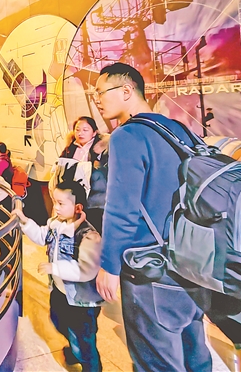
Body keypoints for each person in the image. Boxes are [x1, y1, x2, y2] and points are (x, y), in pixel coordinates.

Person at [94, 62, 212, 372]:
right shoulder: (179, 130)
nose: (97, 100)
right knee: (196, 357)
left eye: (100, 92)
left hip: (151, 271)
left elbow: (121, 209)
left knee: (157, 364)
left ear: (126, 90)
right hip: (191, 266)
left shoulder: (127, 135)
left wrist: (109, 265)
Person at [14, 180, 103, 371]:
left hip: (81, 301)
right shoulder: (56, 224)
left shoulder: (88, 236)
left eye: (61, 203)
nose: (56, 207)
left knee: (83, 338)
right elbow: (41, 236)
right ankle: (75, 347)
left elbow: (86, 269)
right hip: (61, 291)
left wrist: (55, 268)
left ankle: (87, 362)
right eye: (55, 202)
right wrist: (25, 221)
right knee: (58, 320)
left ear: (78, 208)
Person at [59, 117, 108, 234]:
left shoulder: (102, 148)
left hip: (95, 199)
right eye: (77, 130)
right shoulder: (70, 148)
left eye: (85, 130)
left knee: (94, 230)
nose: (80, 133)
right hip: (74, 197)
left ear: (94, 132)